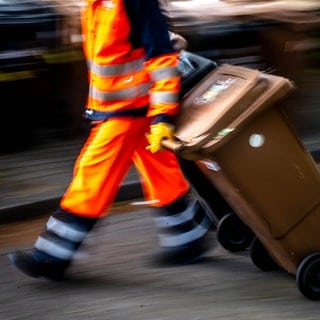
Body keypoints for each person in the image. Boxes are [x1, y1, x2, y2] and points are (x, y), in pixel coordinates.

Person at [8, 0, 212, 281]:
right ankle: (187, 237)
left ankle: (54, 253)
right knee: (160, 170)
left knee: (93, 173)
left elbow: (162, 58)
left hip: (131, 107)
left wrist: (162, 116)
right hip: (123, 105)